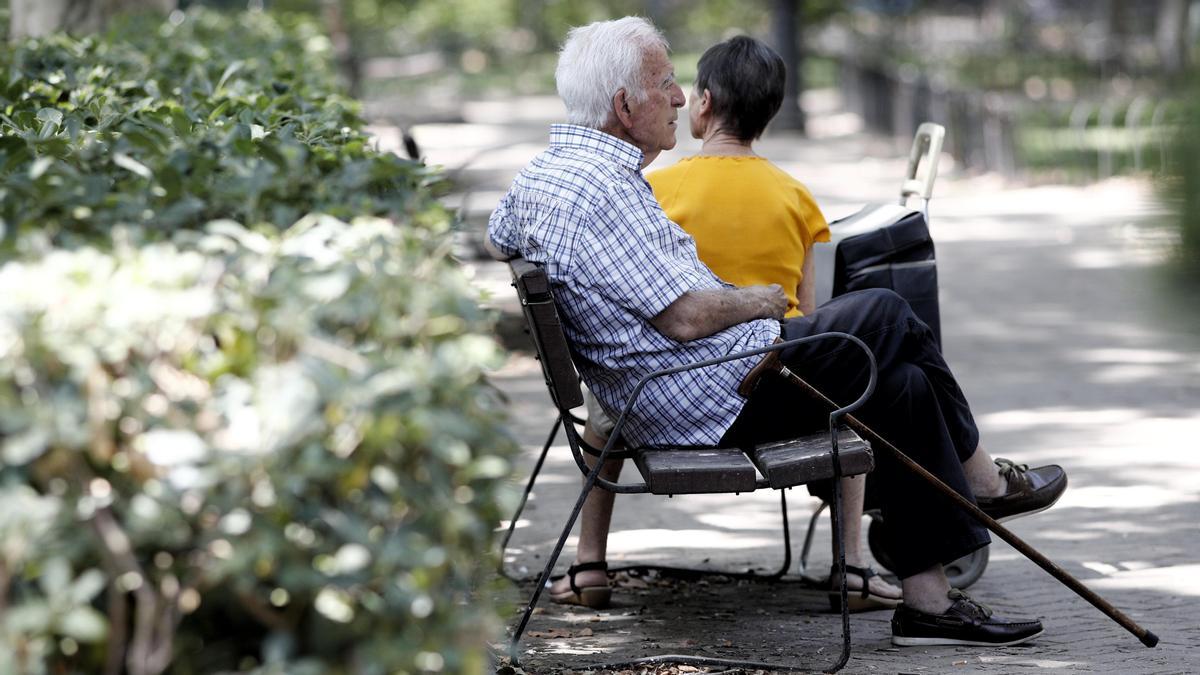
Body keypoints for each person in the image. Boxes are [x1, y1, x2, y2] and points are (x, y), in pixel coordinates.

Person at [486, 16, 1067, 647]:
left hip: (689, 385)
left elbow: (499, 234)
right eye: (666, 82)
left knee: (901, 385)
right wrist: (759, 301)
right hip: (710, 397)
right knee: (889, 311)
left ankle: (927, 605)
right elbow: (681, 318)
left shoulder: (546, 176)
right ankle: (984, 482)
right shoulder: (601, 191)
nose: (681, 97)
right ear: (626, 105)